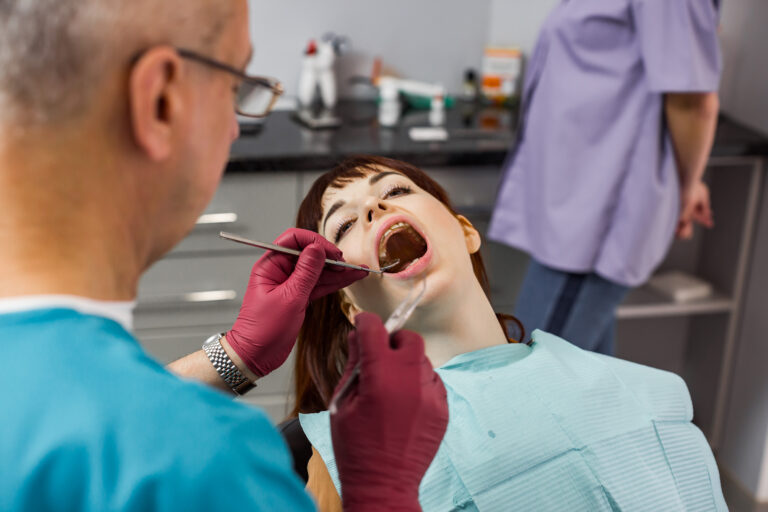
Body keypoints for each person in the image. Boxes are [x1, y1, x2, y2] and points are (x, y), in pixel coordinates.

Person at [0, 1, 447, 511]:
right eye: (235, 87)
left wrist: (235, 356)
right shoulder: (207, 469)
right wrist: (382, 493)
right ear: (161, 100)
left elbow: (69, 417)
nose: (235, 128)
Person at [288, 155, 726, 511]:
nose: (372, 209)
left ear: (465, 231)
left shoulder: (647, 395)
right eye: (343, 225)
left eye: (396, 191)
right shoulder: (341, 464)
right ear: (349, 303)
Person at [488, 0, 722, 355]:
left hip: (593, 217)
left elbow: (693, 101)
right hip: (574, 204)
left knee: (530, 379)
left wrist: (687, 187)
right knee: (587, 384)